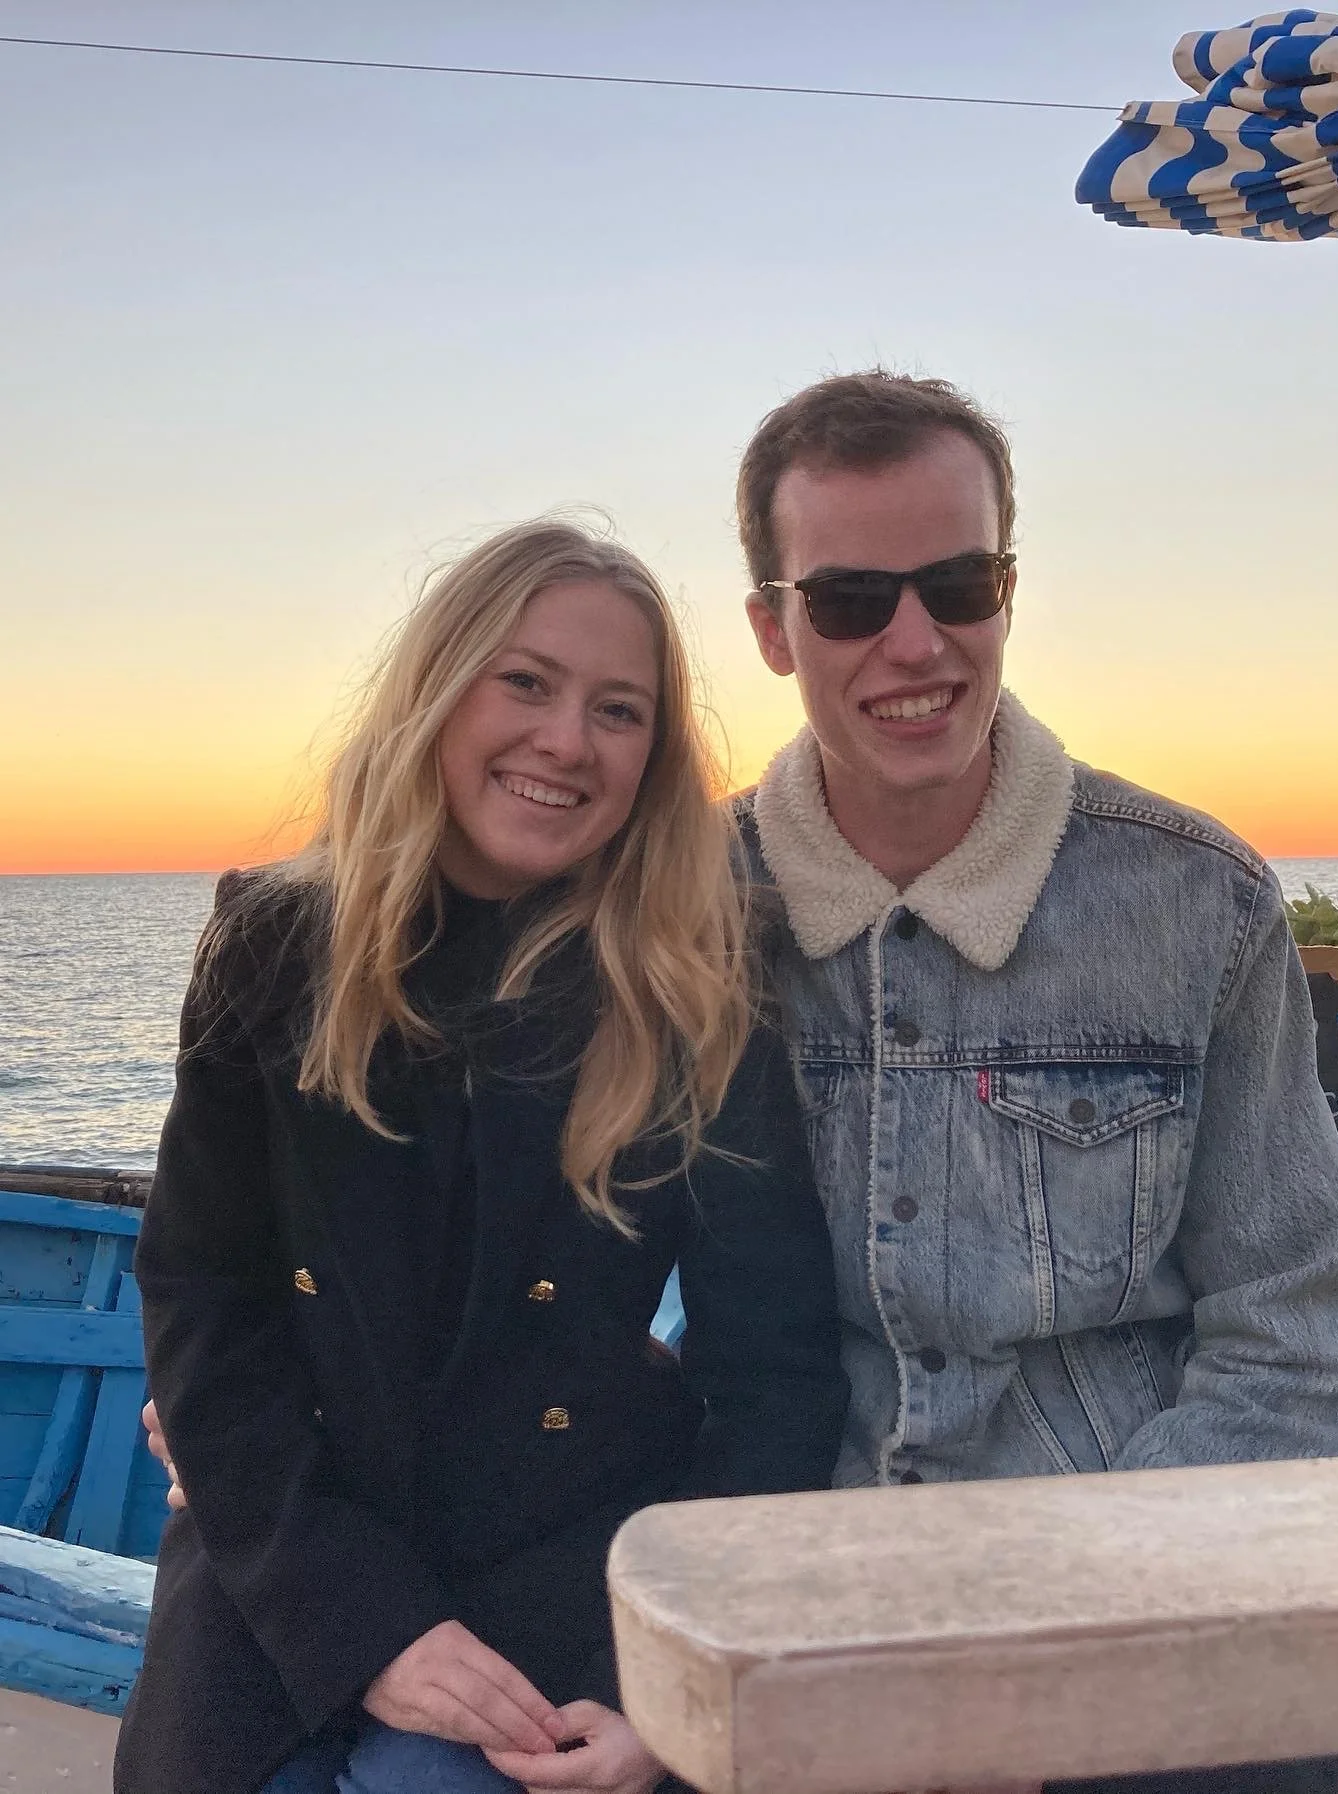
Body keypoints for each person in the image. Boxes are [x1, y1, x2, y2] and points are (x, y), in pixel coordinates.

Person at [116, 520, 848, 1794]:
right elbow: (205, 1298)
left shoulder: (701, 984)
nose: (566, 740)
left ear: (653, 759)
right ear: (440, 689)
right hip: (301, 1537)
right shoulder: (277, 947)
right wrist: (361, 1623)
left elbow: (772, 1376)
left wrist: (674, 1687)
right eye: (526, 682)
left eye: (618, 711)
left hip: (575, 1555)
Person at [730, 370, 1338, 1792]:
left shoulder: (1193, 900)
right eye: (850, 600)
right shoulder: (686, 911)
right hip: (806, 1614)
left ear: (1010, 587)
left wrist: (1055, 1641)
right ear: (776, 630)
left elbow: (1297, 1326)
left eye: (959, 582)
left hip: (1141, 1598)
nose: (916, 641)